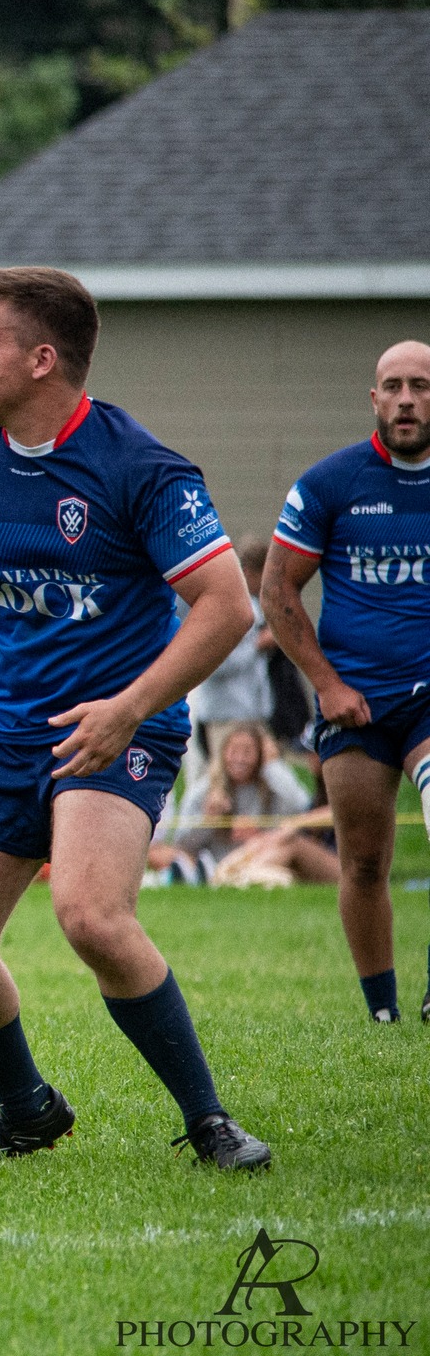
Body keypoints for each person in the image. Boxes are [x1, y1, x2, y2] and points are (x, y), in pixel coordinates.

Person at [0, 266, 271, 1171]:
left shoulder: (139, 468)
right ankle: (28, 1110)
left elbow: (225, 606)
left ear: (42, 359)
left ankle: (210, 1122)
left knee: (91, 915)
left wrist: (131, 708)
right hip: (7, 729)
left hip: (122, 725)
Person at [260, 339, 430, 1024]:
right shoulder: (331, 483)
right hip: (354, 704)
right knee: (362, 861)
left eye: (421, 384)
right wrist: (327, 685)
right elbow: (277, 590)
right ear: (375, 399)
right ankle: (382, 1010)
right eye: (393, 385)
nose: (408, 398)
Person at [169, 722, 336, 888]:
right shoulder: (206, 790)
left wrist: (272, 764)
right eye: (234, 751)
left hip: (295, 857)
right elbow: (181, 844)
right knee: (276, 848)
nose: (240, 759)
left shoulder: (274, 785)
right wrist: (209, 820)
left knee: (284, 841)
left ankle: (223, 876)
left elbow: (300, 806)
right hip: (226, 858)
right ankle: (219, 874)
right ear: (223, 753)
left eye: (247, 752)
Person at [186, 536, 275, 762]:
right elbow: (210, 663)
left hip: (251, 713)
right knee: (222, 785)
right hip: (224, 715)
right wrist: (257, 646)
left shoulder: (256, 605)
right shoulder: (220, 606)